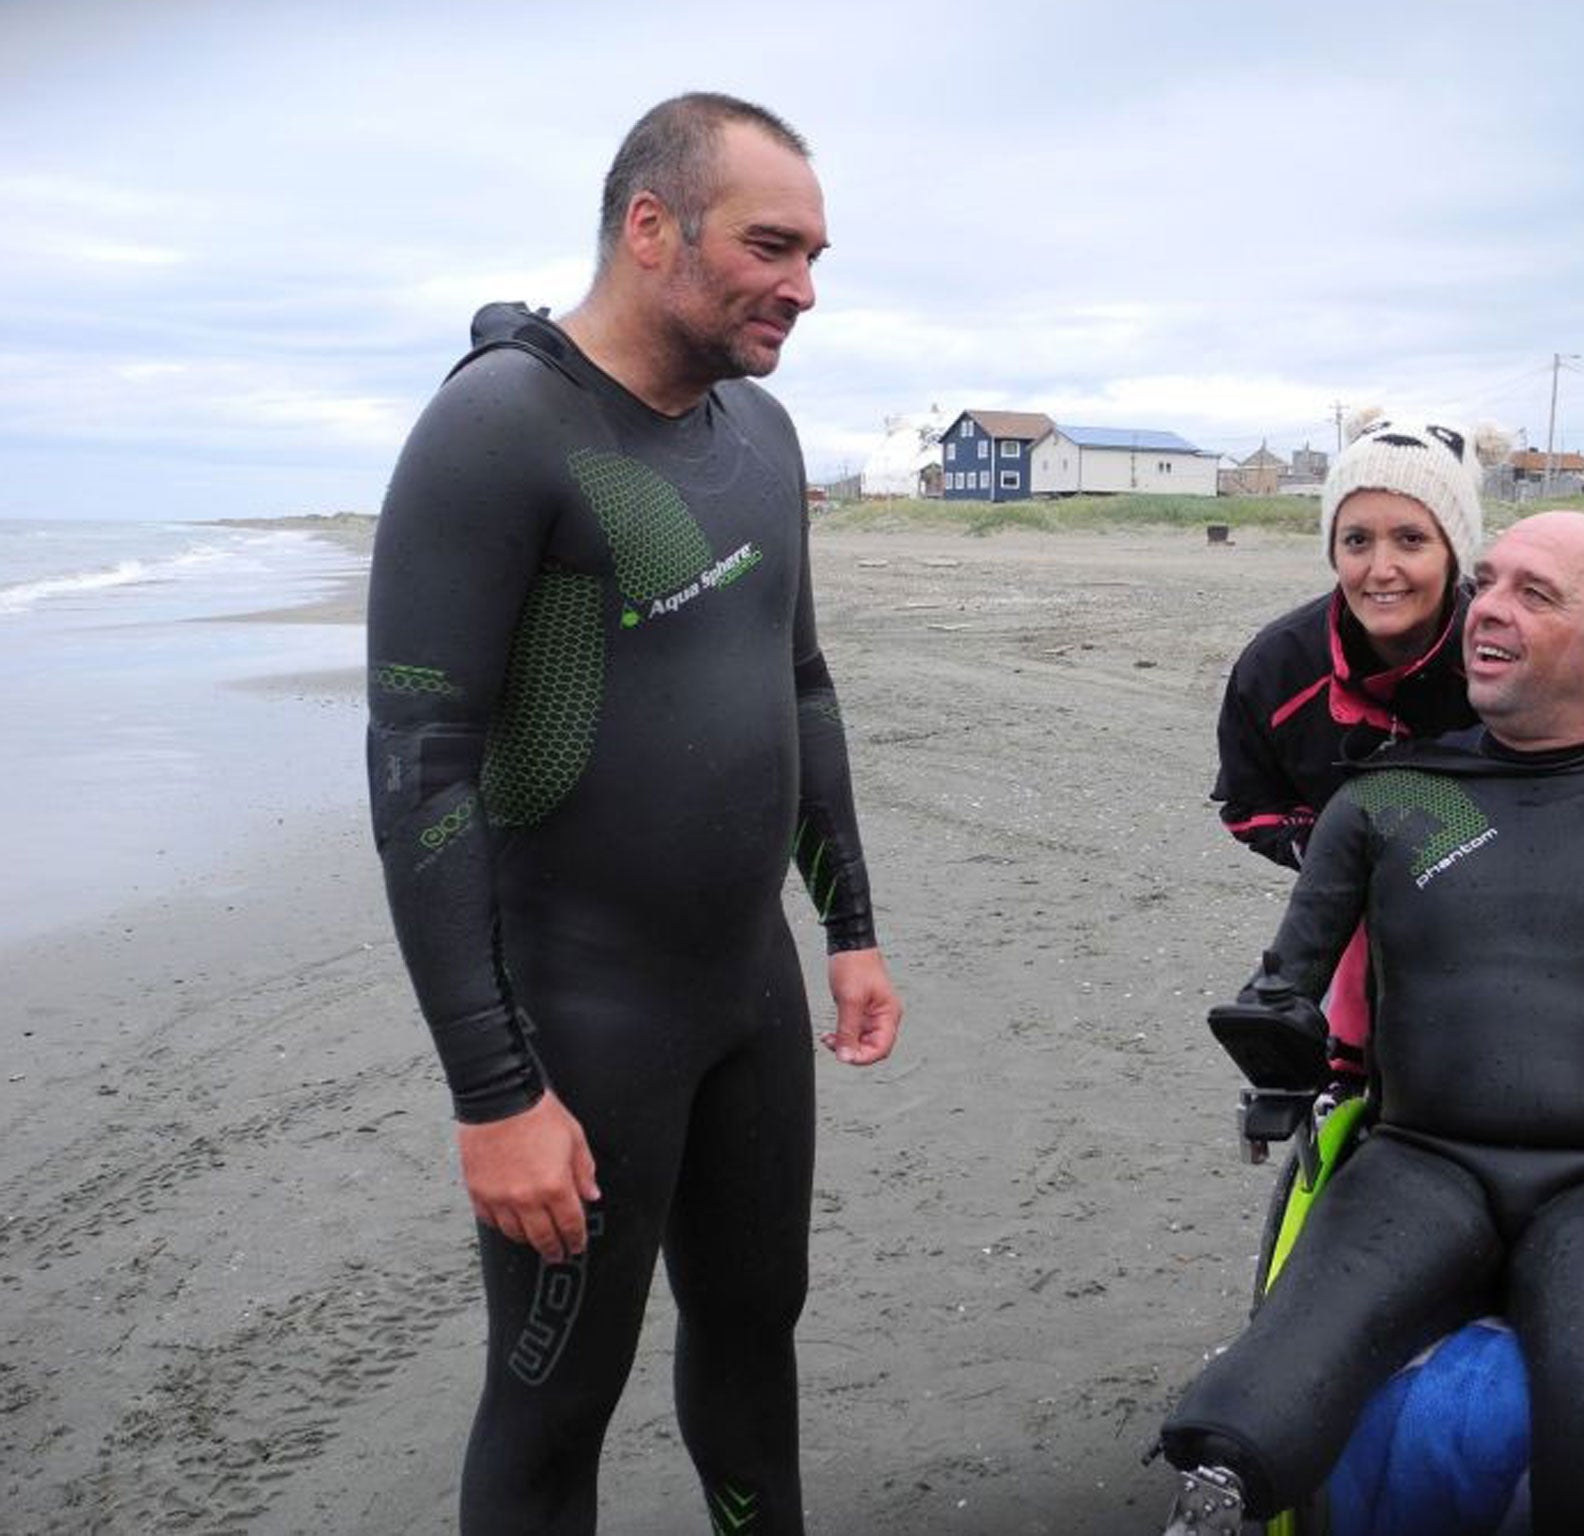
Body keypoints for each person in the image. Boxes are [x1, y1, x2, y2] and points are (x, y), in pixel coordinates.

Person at [364, 92, 901, 1535]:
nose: (803, 286)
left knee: (754, 1338)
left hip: (746, 995)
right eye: (772, 246)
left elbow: (797, 681)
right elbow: (419, 762)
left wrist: (848, 925)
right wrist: (494, 1096)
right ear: (650, 228)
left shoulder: (761, 436)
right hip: (577, 1020)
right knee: (552, 1407)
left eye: (817, 255)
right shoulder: (496, 431)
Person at [1159, 511, 1584, 1535]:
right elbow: (1285, 982)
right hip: (1421, 1160)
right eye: (1485, 583)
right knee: (1255, 1400)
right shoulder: (1394, 797)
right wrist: (1273, 1028)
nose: (1487, 609)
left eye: (1534, 592)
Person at [1213, 409, 1507, 1082]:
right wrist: (1343, 854)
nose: (1382, 569)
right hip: (1360, 909)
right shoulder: (1277, 667)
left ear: (1454, 549)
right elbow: (1247, 805)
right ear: (1332, 550)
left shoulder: (1504, 650)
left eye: (1411, 539)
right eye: (1356, 541)